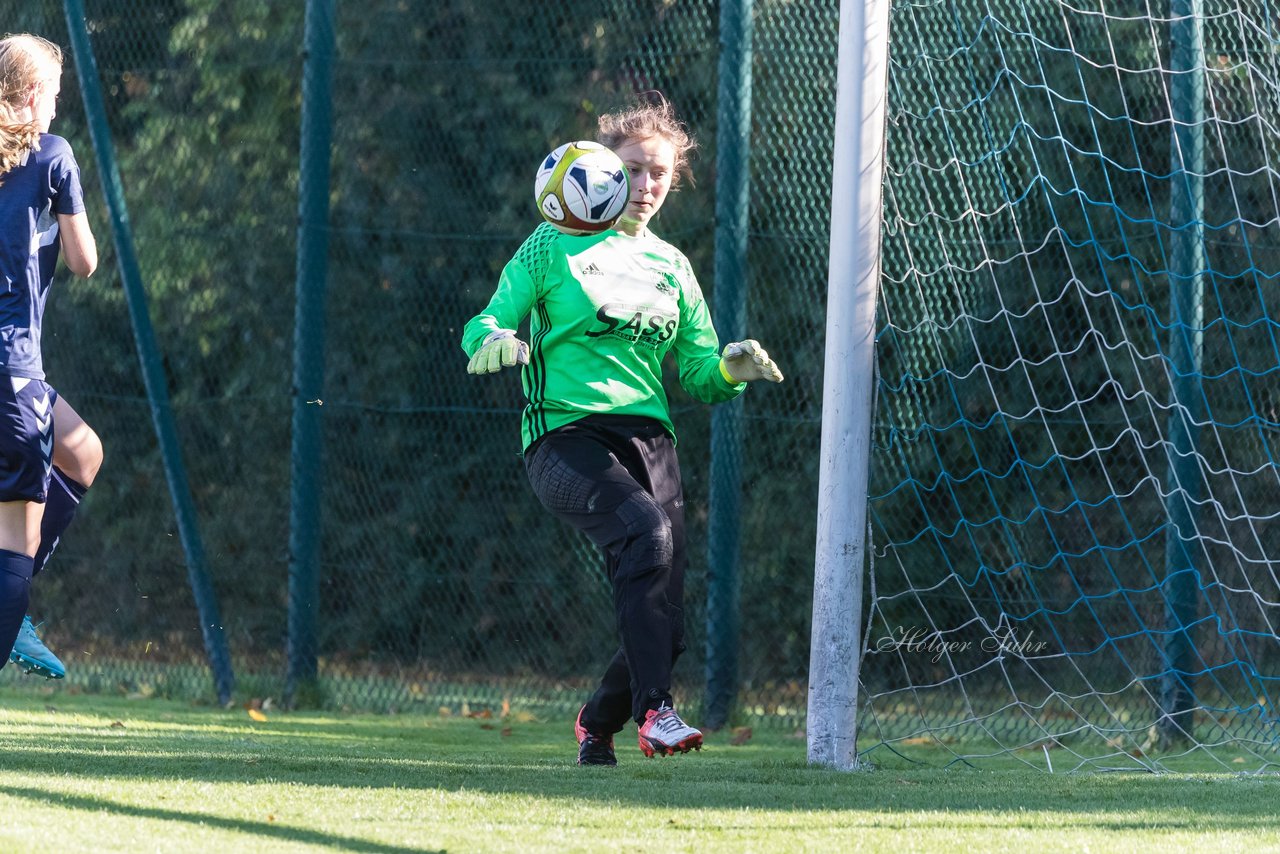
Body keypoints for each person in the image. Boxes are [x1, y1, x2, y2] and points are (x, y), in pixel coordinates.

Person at [461, 94, 783, 765]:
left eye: (659, 173)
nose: (645, 185)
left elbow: (697, 373)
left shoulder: (673, 266)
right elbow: (490, 316)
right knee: (647, 534)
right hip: (566, 438)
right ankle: (655, 714)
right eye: (631, 170)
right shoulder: (554, 244)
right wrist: (488, 338)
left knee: (667, 626)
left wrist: (730, 367)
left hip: (651, 444)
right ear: (601, 172)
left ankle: (595, 722)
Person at [0, 33, 100, 679]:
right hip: (13, 374)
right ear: (32, 96)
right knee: (15, 542)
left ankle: (12, 603)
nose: (59, 109)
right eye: (56, 95)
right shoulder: (53, 155)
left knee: (84, 451)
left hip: (17, 373)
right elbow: (84, 262)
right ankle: (11, 610)